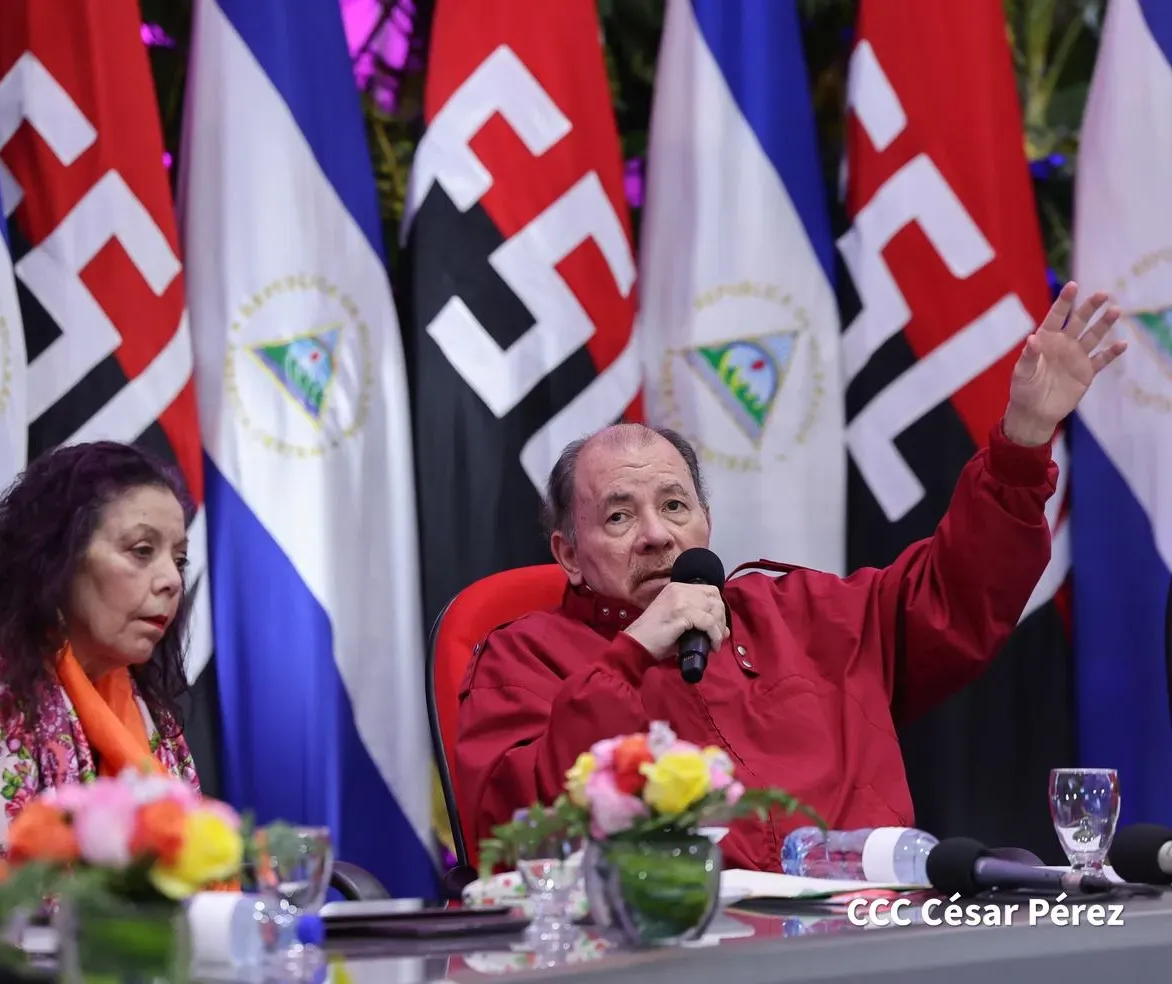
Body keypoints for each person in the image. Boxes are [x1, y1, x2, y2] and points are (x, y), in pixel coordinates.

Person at [454, 282, 1127, 872]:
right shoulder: (521, 658)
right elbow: (514, 836)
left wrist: (1025, 440)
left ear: (706, 525)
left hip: (863, 935)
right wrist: (631, 656)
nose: (657, 534)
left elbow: (959, 594)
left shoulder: (803, 614)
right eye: (620, 517)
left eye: (675, 506)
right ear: (568, 554)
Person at [0, 442, 200, 854]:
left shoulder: (152, 716)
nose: (172, 581)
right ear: (58, 560)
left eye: (178, 560)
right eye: (142, 551)